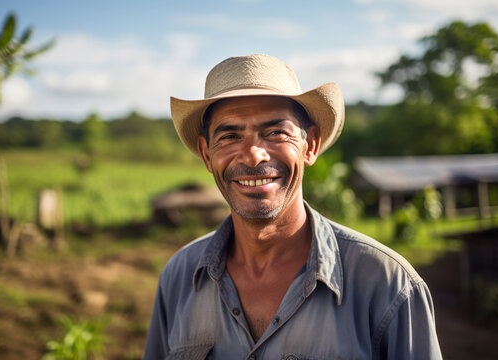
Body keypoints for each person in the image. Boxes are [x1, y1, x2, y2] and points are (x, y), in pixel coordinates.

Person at [143, 54, 442, 360]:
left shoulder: (388, 284)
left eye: (275, 133)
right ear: (207, 155)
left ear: (310, 145)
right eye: (230, 136)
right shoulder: (178, 278)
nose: (253, 155)